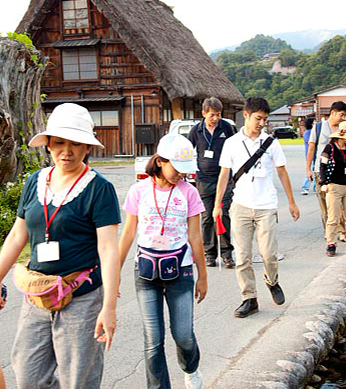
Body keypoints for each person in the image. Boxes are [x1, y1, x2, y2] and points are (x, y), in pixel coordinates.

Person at [0, 103, 121, 389]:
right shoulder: (34, 182)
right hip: (38, 295)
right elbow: (18, 236)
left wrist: (110, 308)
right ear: (48, 145)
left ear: (87, 147)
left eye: (75, 144)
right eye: (59, 143)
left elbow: (108, 250)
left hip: (82, 297)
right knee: (28, 377)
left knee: (78, 381)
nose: (66, 151)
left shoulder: (98, 188)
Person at [118, 133, 207, 389]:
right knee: (153, 340)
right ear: (159, 161)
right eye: (177, 168)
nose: (182, 174)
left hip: (181, 272)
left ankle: (190, 368)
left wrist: (203, 276)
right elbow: (127, 235)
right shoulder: (138, 191)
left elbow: (196, 238)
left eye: (185, 170)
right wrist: (113, 277)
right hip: (145, 273)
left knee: (184, 336)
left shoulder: (189, 193)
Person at [213, 97, 300, 318]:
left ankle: (272, 281)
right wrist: (217, 205)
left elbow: (282, 172)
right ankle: (249, 298)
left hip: (266, 207)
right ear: (246, 116)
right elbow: (224, 175)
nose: (262, 123)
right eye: (258, 118)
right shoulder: (231, 143)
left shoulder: (271, 143)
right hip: (241, 206)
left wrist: (291, 202)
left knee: (269, 254)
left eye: (265, 119)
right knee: (242, 257)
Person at [188, 97, 235, 268]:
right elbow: (187, 151)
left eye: (218, 114)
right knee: (207, 217)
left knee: (223, 215)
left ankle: (226, 253)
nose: (215, 118)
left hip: (224, 178)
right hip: (204, 180)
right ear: (203, 114)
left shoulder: (226, 127)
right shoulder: (196, 130)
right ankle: (209, 253)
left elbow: (235, 149)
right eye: (212, 115)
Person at [319, 121, 346, 257]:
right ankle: (331, 243)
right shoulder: (329, 148)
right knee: (333, 217)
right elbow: (322, 166)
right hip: (334, 186)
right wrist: (324, 182)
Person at [306, 101, 346, 230]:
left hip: (339, 171)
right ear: (333, 113)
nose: (342, 118)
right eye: (341, 115)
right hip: (321, 170)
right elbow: (311, 148)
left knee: (340, 203)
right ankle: (329, 232)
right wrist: (308, 168)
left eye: (344, 115)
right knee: (324, 203)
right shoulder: (319, 127)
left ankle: (342, 231)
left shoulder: (343, 129)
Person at [300, 117, 316, 195]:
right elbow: (311, 143)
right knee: (309, 171)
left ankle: (316, 187)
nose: (315, 124)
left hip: (315, 155)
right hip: (310, 156)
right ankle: (305, 188)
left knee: (316, 171)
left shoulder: (314, 131)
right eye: (314, 123)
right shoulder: (308, 132)